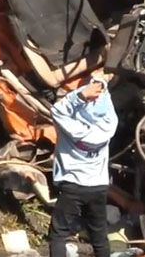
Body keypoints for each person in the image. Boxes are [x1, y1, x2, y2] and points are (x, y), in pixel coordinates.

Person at [48, 74, 118, 257]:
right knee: (99, 236)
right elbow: (106, 104)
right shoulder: (109, 125)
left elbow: (57, 111)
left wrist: (79, 96)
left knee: (58, 234)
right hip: (98, 188)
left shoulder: (71, 126)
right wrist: (102, 83)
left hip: (73, 186)